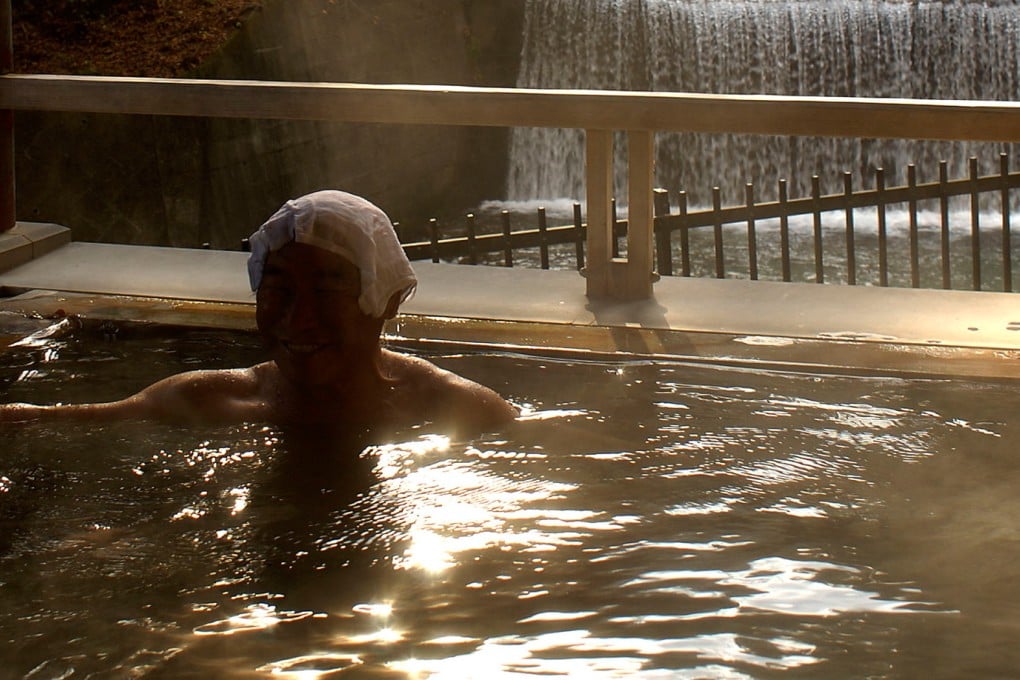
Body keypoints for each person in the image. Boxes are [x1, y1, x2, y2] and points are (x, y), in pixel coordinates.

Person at [0, 190, 518, 435]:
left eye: (327, 288)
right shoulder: (210, 399)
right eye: (278, 289)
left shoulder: (459, 411)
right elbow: (60, 420)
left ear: (386, 298)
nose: (300, 318)